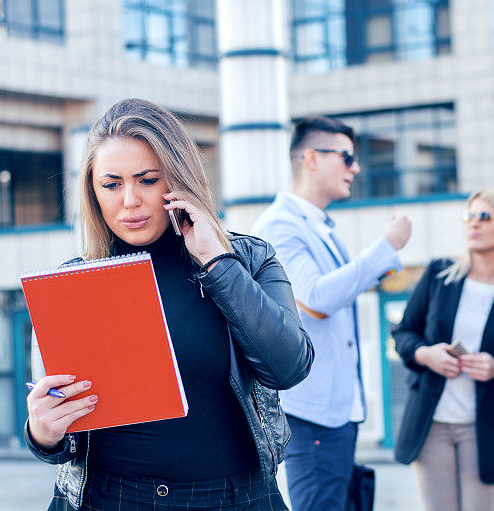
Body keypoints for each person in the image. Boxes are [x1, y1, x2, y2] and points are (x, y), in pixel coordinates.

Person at [24, 98, 314, 510]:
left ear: (178, 179)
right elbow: (59, 436)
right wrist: (42, 431)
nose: (129, 200)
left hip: (236, 499)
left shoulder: (249, 259)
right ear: (93, 190)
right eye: (111, 184)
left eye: (147, 179)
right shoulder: (72, 283)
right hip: (108, 498)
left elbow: (289, 367)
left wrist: (217, 263)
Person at [251, 117, 412, 511]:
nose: (355, 168)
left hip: (334, 413)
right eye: (347, 157)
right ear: (311, 158)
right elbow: (316, 299)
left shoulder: (319, 226)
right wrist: (385, 247)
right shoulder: (280, 225)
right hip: (312, 414)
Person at [391, 187, 494, 511]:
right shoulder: (439, 274)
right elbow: (403, 333)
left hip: (484, 428)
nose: (474, 224)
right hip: (432, 424)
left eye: (484, 216)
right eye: (469, 216)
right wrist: (426, 355)